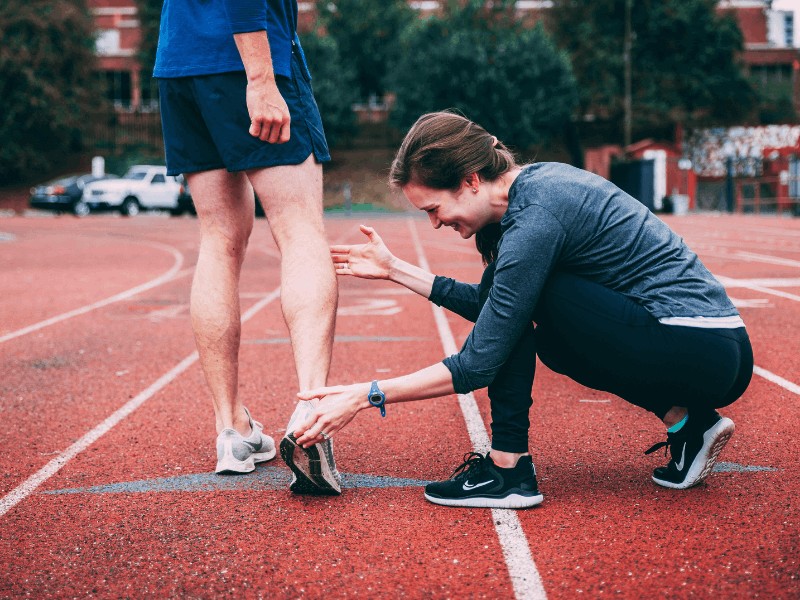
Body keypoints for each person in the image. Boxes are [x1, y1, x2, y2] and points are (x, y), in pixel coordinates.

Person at [291, 111, 754, 509]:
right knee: (536, 327)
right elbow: (493, 307)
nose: (435, 223)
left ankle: (508, 470)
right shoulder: (532, 191)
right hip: (715, 348)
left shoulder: (536, 216)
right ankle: (690, 424)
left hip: (699, 346)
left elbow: (479, 362)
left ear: (471, 180)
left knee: (522, 316)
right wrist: (395, 269)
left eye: (434, 208)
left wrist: (364, 396)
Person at [153, 0, 341, 494]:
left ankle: (233, 431)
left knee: (218, 238)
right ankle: (311, 415)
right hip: (245, 60)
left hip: (180, 64)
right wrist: (260, 78)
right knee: (299, 227)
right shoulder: (253, 69)